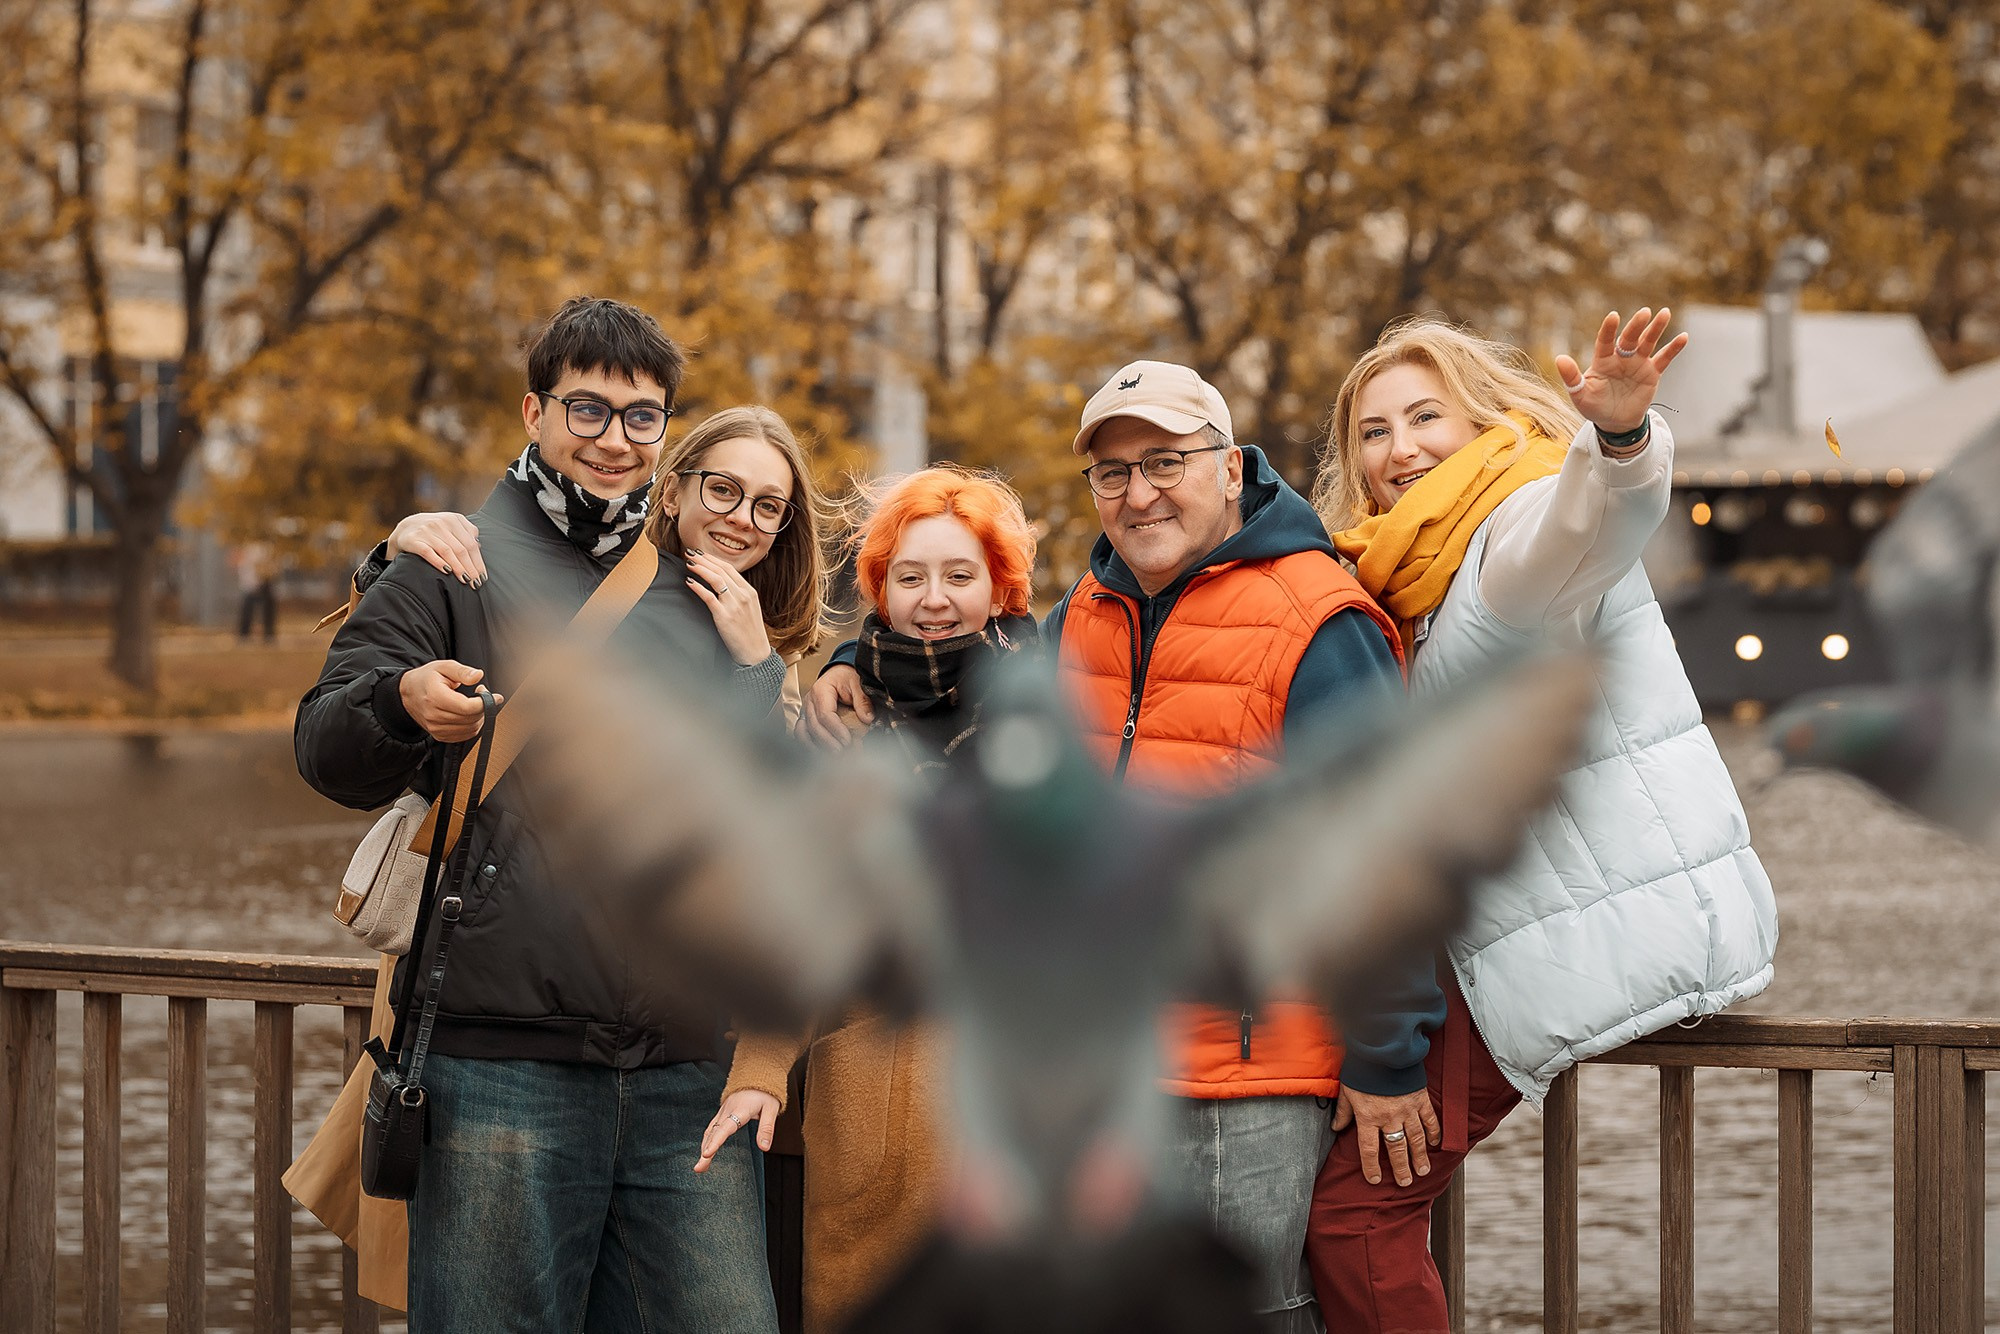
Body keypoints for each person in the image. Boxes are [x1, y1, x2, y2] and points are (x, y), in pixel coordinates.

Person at [805, 363, 1409, 1332]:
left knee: (1244, 1311)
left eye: (1163, 461)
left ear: (1226, 465)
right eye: (1113, 473)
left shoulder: (1314, 612)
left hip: (1243, 1064)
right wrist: (846, 663)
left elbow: (1391, 843)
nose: (1138, 493)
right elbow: (961, 658)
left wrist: (1386, 1056)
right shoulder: (1088, 604)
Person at [294, 297, 785, 1332]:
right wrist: (398, 702)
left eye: (641, 417)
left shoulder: (694, 589)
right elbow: (324, 747)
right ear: (534, 410)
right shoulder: (449, 561)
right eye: (589, 411)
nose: (615, 440)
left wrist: (758, 675)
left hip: (682, 1069)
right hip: (500, 1066)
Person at [1302, 310, 1777, 1330]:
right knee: (1330, 1179)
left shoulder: (1501, 541)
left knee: (1351, 1210)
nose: (1398, 449)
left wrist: (1615, 441)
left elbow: (1586, 520)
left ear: (1479, 419)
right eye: (1372, 431)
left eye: (1424, 415)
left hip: (1543, 935)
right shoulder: (1393, 579)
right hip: (1493, 928)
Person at [699, 463, 1039, 1333]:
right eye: (911, 577)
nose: (934, 599)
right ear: (880, 591)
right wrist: (762, 1075)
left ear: (1000, 587)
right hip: (873, 1124)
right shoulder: (839, 735)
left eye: (960, 576)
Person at [352, 403, 838, 727]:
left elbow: (778, 800)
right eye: (722, 490)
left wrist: (767, 662)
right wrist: (389, 561)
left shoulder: (769, 634)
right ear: (672, 494)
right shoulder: (604, 569)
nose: (741, 519)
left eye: (769, 506)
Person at [236, 540, 277, 642]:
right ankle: (244, 635)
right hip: (251, 583)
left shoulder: (266, 547)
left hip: (264, 581)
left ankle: (268, 634)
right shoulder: (248, 547)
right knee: (247, 609)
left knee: (268, 609)